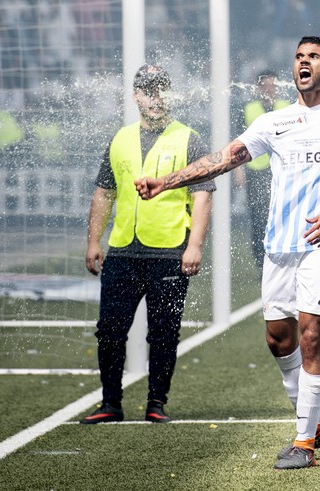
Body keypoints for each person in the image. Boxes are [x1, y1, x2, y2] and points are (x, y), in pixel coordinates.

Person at [135, 36, 320, 470]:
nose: (303, 62)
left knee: (311, 335)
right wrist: (167, 182)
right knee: (277, 339)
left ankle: (303, 443)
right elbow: (226, 157)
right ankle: (316, 423)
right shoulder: (276, 122)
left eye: (314, 57)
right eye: (299, 57)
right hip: (279, 246)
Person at [81, 64, 215, 424]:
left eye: (161, 91)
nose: (155, 98)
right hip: (123, 250)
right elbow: (104, 192)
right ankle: (111, 403)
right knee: (109, 330)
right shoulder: (120, 138)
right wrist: (94, 240)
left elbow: (203, 194)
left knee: (164, 331)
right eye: (148, 91)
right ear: (136, 95)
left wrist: (195, 246)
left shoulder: (190, 138)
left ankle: (157, 401)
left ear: (171, 95)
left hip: (170, 251)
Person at [233, 70, 290, 271]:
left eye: (272, 85)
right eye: (264, 86)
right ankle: (260, 261)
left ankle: (280, 257)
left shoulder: (287, 108)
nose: (269, 89)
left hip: (281, 170)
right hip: (256, 170)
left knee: (281, 214)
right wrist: (238, 169)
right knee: (257, 217)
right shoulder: (248, 108)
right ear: (258, 89)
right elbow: (239, 140)